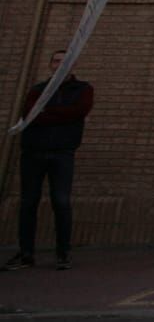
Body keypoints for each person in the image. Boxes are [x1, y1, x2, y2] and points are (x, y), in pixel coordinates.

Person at [4, 50, 94, 271]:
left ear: (72, 66)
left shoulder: (82, 90)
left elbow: (78, 112)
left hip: (62, 152)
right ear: (50, 65)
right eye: (55, 61)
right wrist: (57, 114)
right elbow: (30, 113)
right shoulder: (38, 90)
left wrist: (47, 112)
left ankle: (63, 253)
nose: (59, 65)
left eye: (64, 62)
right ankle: (26, 254)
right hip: (34, 151)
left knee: (61, 202)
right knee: (28, 203)